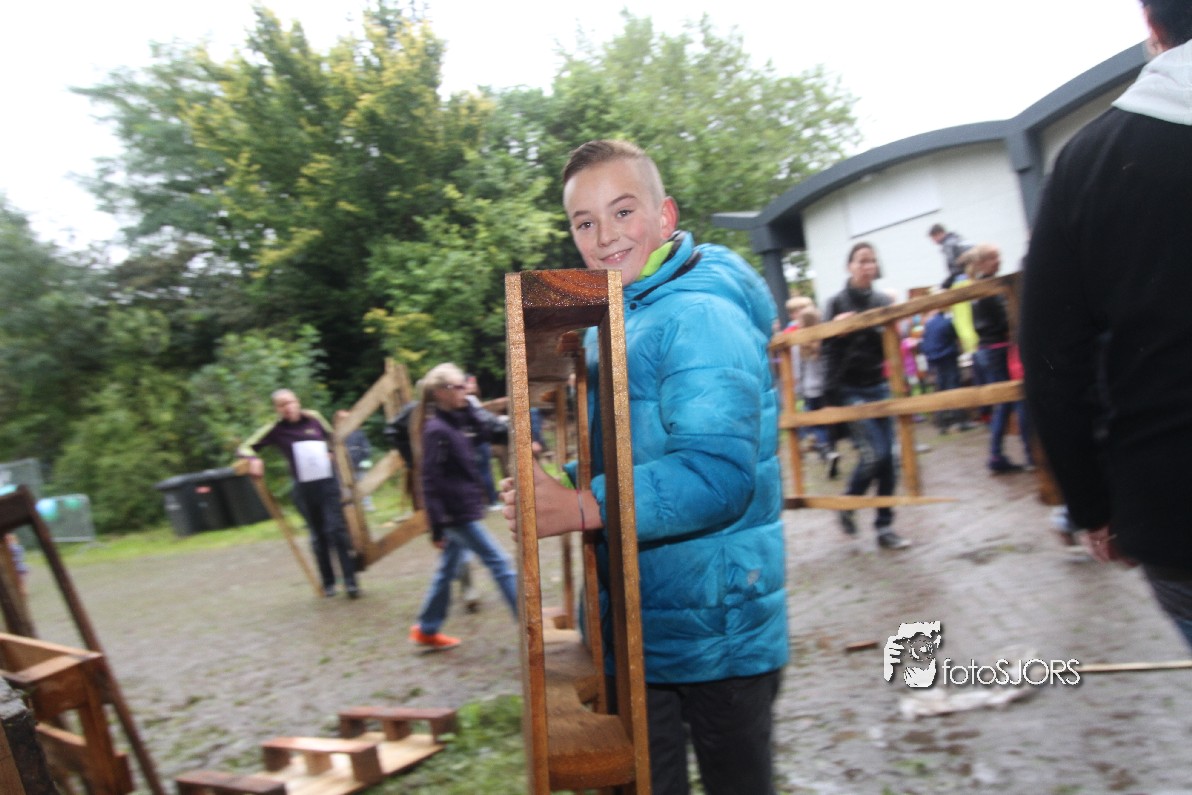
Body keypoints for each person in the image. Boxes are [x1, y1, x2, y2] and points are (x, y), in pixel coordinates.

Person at [503, 139, 787, 795]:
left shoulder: (699, 314)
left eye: (623, 211)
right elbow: (638, 448)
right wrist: (567, 480)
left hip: (718, 629)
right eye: (584, 222)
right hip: (643, 619)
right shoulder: (619, 315)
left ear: (665, 216)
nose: (605, 236)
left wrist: (583, 506)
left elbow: (717, 475)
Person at [1021, 0, 1192, 650]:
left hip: (1174, 500)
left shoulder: (1087, 164)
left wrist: (1091, 504)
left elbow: (1052, 357)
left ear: (1153, 27)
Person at [410, 362, 518, 650]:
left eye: (465, 386)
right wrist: (436, 526)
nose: (465, 391)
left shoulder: (457, 420)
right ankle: (530, 627)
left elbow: (484, 432)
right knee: (500, 563)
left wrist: (469, 407)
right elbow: (429, 480)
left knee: (447, 571)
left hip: (463, 508)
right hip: (455, 514)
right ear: (440, 392)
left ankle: (427, 629)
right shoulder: (436, 430)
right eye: (458, 387)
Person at [822, 242, 912, 550]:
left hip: (878, 384)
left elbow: (893, 343)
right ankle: (849, 502)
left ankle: (885, 526)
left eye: (871, 261)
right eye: (861, 260)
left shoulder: (882, 300)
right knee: (876, 453)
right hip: (850, 388)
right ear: (849, 266)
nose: (867, 266)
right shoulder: (835, 302)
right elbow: (825, 348)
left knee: (890, 459)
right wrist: (835, 330)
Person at [239, 390, 360, 598]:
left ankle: (350, 582)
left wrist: (331, 452)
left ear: (297, 402)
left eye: (290, 402)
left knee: (336, 530)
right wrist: (253, 460)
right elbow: (245, 448)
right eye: (282, 405)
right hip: (304, 488)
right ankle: (328, 582)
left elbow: (332, 437)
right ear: (277, 409)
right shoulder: (275, 429)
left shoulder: (314, 418)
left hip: (327, 483)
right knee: (318, 535)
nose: (287, 408)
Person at [968, 244, 1033, 473]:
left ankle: (998, 453)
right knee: (1016, 396)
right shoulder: (991, 288)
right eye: (993, 258)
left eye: (998, 256)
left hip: (989, 349)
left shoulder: (979, 288)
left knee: (1004, 403)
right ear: (981, 263)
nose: (998, 261)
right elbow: (1003, 321)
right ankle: (1029, 453)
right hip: (998, 348)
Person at [793, 305, 840, 478]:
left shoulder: (798, 343)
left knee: (815, 424)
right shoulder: (824, 340)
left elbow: (797, 371)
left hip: (810, 389)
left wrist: (797, 390)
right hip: (825, 387)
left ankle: (827, 452)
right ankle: (831, 451)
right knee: (829, 422)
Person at [919, 307, 971, 434]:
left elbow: (924, 344)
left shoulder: (928, 325)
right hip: (948, 359)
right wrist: (960, 351)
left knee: (940, 389)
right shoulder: (947, 322)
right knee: (954, 387)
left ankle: (942, 424)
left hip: (935, 361)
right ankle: (961, 421)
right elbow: (957, 339)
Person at [334, 409, 374, 511]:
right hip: (343, 467)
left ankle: (367, 504)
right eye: (342, 418)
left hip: (359, 464)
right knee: (345, 487)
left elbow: (366, 447)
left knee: (363, 484)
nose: (345, 420)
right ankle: (350, 505)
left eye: (348, 418)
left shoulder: (358, 432)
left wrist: (364, 457)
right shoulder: (335, 435)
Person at [928, 223, 973, 288]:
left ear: (939, 234)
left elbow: (954, 266)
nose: (933, 241)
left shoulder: (948, 245)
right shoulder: (957, 238)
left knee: (945, 287)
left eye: (933, 238)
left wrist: (945, 284)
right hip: (975, 269)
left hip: (966, 272)